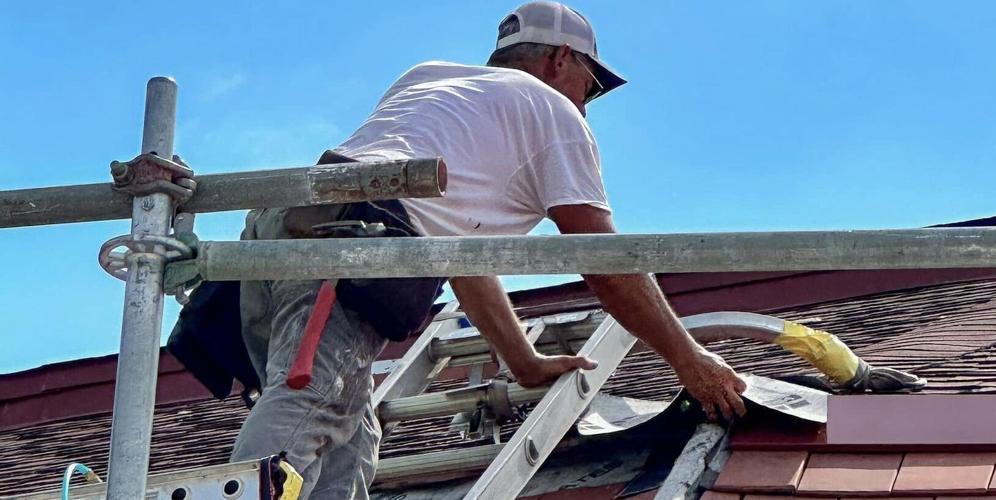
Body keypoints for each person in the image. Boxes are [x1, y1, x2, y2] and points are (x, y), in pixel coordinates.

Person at [230, 1, 746, 498]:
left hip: (280, 226)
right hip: (351, 242)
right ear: (561, 57)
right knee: (312, 405)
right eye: (590, 86)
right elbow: (603, 261)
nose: (586, 104)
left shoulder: (431, 76)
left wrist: (522, 360)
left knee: (349, 432)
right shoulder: (555, 113)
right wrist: (688, 358)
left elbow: (462, 261)